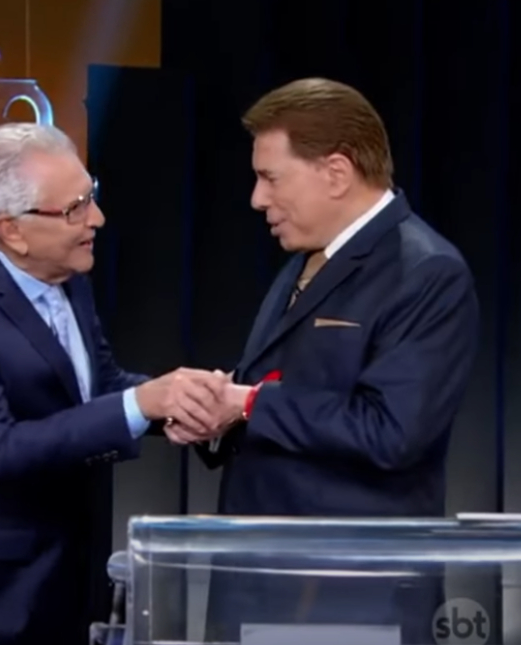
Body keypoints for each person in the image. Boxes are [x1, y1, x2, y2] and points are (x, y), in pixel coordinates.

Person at [0, 122, 226, 645]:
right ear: (12, 230)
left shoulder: (66, 276)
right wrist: (139, 404)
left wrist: (181, 401)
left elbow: (95, 386)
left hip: (53, 587)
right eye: (74, 209)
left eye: (91, 195)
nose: (96, 218)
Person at [166, 77, 480, 642]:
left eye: (270, 177)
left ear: (336, 172)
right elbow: (285, 385)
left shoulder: (427, 273)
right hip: (260, 580)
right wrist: (215, 410)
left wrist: (249, 403)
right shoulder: (308, 259)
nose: (257, 198)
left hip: (347, 597)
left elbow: (391, 432)